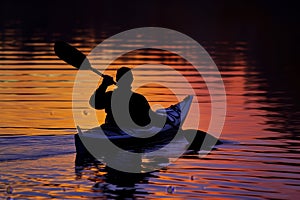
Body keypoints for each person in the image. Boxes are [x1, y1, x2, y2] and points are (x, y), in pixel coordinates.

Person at [89, 67, 165, 129]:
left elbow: (94, 103)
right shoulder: (138, 98)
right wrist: (164, 120)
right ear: (131, 80)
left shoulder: (110, 96)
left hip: (112, 128)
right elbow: (149, 120)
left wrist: (104, 85)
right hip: (127, 129)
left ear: (117, 80)